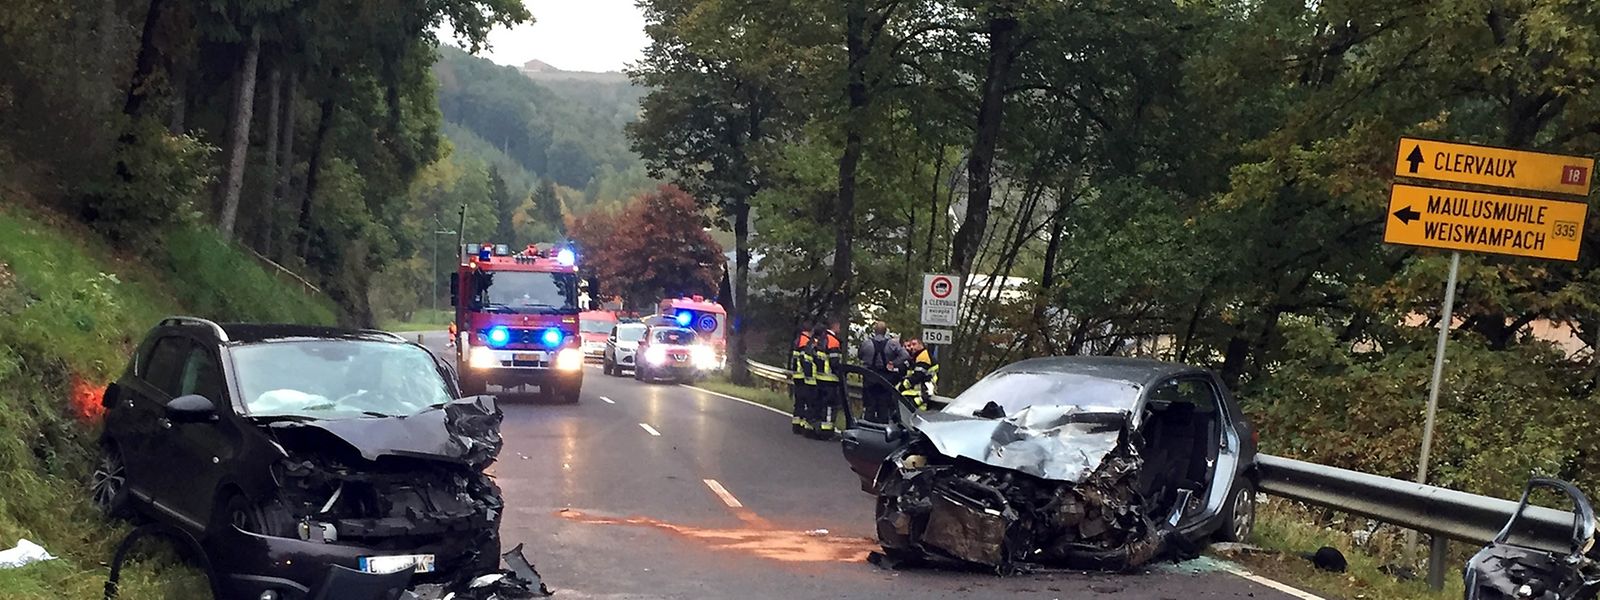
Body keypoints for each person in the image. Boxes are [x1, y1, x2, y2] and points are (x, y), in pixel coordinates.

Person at [857, 321, 909, 422]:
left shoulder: (866, 344)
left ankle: (867, 427)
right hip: (885, 380)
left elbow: (860, 356)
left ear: (874, 331)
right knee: (884, 407)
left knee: (869, 406)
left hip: (869, 379)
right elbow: (905, 355)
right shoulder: (892, 344)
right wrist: (893, 363)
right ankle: (882, 429)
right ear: (885, 331)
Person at [810, 322, 846, 438]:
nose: (839, 328)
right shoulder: (833, 341)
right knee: (830, 405)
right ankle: (826, 431)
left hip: (819, 378)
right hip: (830, 379)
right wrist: (841, 375)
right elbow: (834, 363)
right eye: (839, 326)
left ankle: (817, 428)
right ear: (835, 326)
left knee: (819, 404)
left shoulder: (821, 339)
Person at [788, 324, 815, 435]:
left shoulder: (797, 340)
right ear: (810, 330)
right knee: (805, 401)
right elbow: (805, 360)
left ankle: (796, 424)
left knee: (798, 401)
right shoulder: (805, 342)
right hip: (803, 376)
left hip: (797, 375)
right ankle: (802, 425)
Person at [898, 337, 938, 411]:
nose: (912, 347)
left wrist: (902, 386)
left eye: (914, 344)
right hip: (919, 395)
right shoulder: (917, 356)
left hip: (920, 395)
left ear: (921, 345)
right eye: (911, 345)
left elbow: (917, 377)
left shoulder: (923, 357)